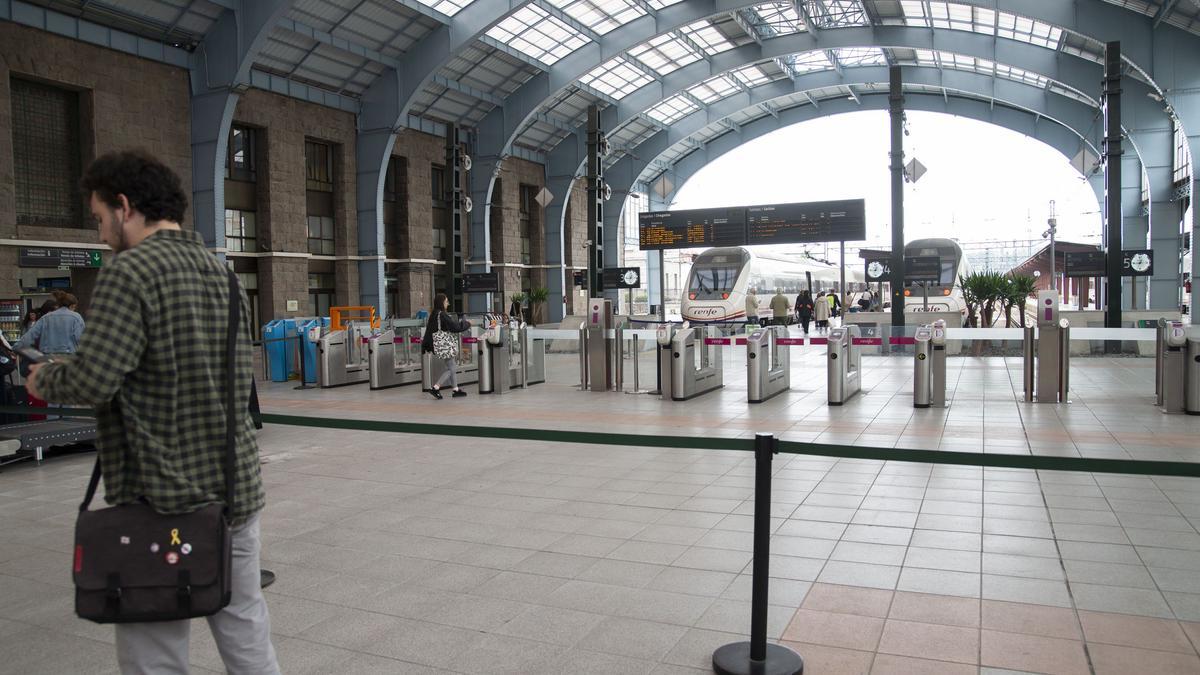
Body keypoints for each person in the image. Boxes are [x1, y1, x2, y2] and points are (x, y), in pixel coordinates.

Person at [25, 150, 279, 675]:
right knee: (245, 627)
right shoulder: (222, 272)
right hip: (236, 490)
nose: (100, 235)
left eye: (98, 219)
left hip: (164, 499)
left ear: (124, 206)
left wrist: (41, 377)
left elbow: (94, 378)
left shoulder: (130, 273)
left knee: (154, 649)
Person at [422, 292, 472, 399]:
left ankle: (455, 389)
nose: (448, 304)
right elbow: (454, 327)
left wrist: (426, 346)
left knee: (451, 366)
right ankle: (436, 388)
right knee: (451, 369)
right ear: (442, 302)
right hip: (445, 346)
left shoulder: (434, 314)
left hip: (439, 346)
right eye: (446, 301)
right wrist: (467, 324)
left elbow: (428, 331)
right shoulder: (442, 314)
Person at [17, 290, 84, 357]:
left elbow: (30, 336)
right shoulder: (76, 317)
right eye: (74, 307)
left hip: (48, 357)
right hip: (68, 357)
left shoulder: (45, 318)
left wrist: (15, 348)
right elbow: (80, 339)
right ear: (71, 306)